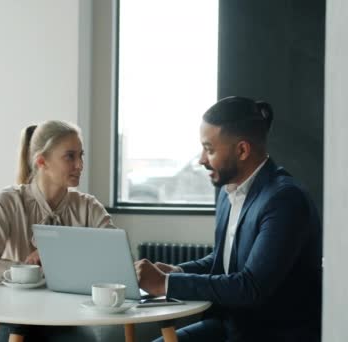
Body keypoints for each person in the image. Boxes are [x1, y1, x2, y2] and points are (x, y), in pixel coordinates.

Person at [135, 96, 323, 341]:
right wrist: (177, 270)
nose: (202, 159)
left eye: (209, 149)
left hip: (270, 334)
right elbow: (224, 260)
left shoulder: (285, 200)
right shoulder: (229, 191)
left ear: (242, 150)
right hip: (231, 327)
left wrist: (166, 284)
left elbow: (251, 286)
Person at [0, 120, 115, 341]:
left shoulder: (89, 207)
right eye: (70, 156)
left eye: (81, 155)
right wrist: (30, 268)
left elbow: (116, 261)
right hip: (6, 316)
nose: (80, 165)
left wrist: (61, 255)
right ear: (42, 161)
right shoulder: (7, 202)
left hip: (63, 318)